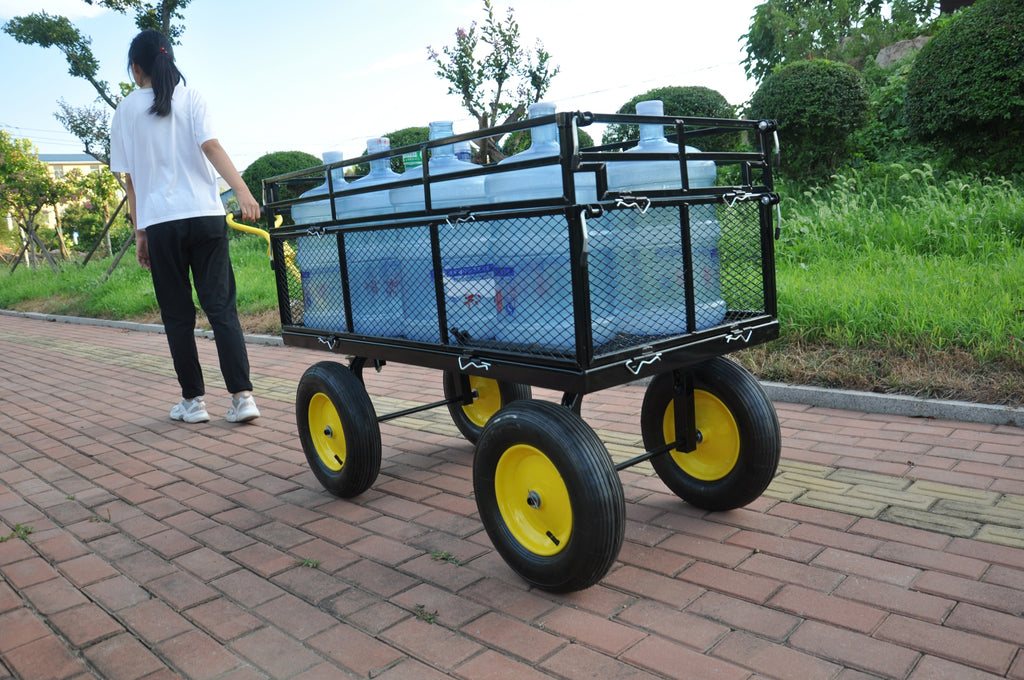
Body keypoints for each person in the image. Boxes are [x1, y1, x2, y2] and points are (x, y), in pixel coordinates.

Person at [110, 29, 261, 424]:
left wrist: (140, 232)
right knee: (221, 308)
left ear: (136, 66)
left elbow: (131, 181)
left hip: (161, 224)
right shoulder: (192, 97)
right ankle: (243, 398)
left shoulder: (125, 110)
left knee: (178, 316)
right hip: (206, 217)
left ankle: (193, 404)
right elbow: (211, 146)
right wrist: (242, 191)